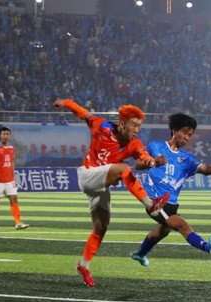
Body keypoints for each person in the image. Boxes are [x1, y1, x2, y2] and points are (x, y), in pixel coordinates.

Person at [53, 98, 169, 287]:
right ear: (122, 124)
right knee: (123, 169)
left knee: (101, 227)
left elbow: (144, 156)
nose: (137, 129)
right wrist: (66, 102)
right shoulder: (102, 126)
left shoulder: (134, 143)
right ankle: (151, 205)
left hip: (102, 184)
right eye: (134, 125)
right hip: (87, 175)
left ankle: (83, 266)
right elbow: (83, 113)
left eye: (139, 126)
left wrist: (152, 162)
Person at [130, 113, 211, 266]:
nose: (187, 137)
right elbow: (137, 164)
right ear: (174, 131)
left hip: (171, 203)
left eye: (190, 135)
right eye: (185, 132)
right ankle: (209, 248)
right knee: (182, 225)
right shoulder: (156, 146)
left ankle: (140, 254)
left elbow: (205, 170)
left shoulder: (187, 158)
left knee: (161, 232)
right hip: (154, 201)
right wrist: (152, 162)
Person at [0, 126, 29, 230]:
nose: (6, 136)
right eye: (4, 134)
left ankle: (18, 222)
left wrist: (13, 175)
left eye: (7, 134)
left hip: (9, 180)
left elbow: (11, 162)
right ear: (0, 135)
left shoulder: (11, 148)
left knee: (14, 199)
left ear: (10, 136)